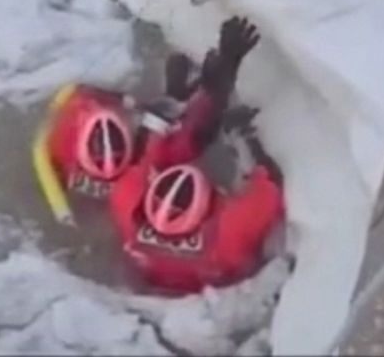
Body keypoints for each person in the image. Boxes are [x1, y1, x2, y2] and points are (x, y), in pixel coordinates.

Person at [44, 17, 261, 206]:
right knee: (192, 136)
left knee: (177, 128)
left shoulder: (66, 131)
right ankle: (177, 96)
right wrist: (226, 66)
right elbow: (199, 129)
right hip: (137, 192)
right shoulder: (151, 159)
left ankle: (175, 97)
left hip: (113, 200)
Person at [109, 102, 284, 294]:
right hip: (218, 299)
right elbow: (270, 184)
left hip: (153, 287)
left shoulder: (127, 204)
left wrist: (158, 128)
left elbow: (142, 164)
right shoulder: (230, 232)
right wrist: (244, 138)